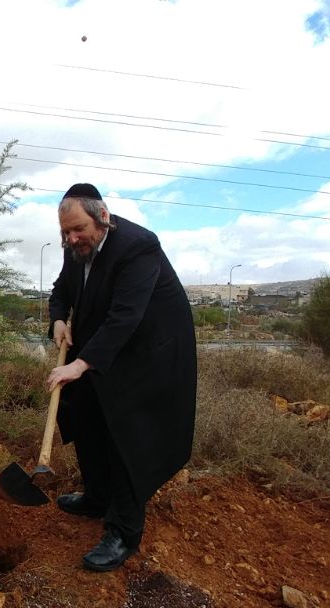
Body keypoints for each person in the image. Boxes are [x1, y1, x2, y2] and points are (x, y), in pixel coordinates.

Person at [46, 183, 197, 572]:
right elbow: (61, 290)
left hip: (147, 354)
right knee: (88, 417)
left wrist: (80, 364)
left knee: (128, 438)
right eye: (65, 231)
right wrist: (59, 320)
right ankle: (97, 497)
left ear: (103, 217)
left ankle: (123, 532)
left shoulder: (137, 246)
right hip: (104, 347)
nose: (71, 238)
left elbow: (125, 316)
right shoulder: (76, 247)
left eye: (78, 229)